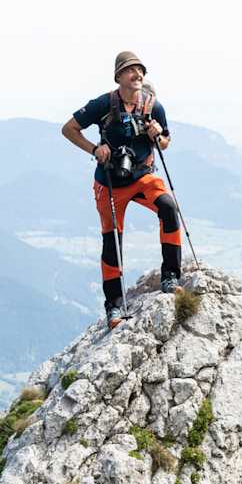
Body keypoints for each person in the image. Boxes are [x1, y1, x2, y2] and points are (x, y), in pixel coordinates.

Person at [61, 51, 183, 329]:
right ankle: (114, 306)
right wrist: (94, 149)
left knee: (168, 207)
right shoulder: (103, 104)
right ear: (119, 77)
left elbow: (165, 143)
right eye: (131, 70)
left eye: (140, 70)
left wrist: (157, 135)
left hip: (142, 176)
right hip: (110, 181)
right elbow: (68, 129)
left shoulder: (154, 106)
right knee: (112, 239)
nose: (138, 75)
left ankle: (171, 277)